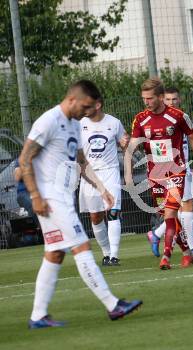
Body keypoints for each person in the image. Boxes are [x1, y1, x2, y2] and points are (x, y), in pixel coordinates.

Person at [20, 80, 142, 329]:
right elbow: (25, 159)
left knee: (54, 253)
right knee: (81, 246)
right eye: (84, 106)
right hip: (50, 198)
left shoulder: (76, 125)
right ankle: (112, 304)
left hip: (62, 196)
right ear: (72, 99)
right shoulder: (48, 121)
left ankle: (38, 315)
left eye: (90, 108)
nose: (87, 112)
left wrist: (102, 189)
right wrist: (35, 196)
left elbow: (82, 163)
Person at [126, 78, 193, 270]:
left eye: (150, 98)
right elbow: (133, 146)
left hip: (176, 173)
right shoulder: (140, 119)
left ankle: (166, 257)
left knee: (170, 214)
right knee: (170, 218)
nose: (146, 102)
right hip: (155, 176)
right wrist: (128, 164)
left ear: (160, 97)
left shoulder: (178, 116)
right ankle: (187, 253)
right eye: (144, 98)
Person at [146, 87, 193, 257]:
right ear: (162, 101)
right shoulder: (159, 121)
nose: (171, 103)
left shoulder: (181, 118)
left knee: (181, 208)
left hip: (183, 168)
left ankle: (157, 234)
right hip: (172, 170)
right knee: (185, 205)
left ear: (179, 100)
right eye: (168, 100)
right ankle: (192, 245)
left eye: (174, 99)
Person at [79, 95, 129, 266]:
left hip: (110, 171)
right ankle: (106, 253)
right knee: (95, 216)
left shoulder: (114, 123)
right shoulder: (80, 124)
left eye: (88, 105)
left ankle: (114, 255)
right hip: (90, 174)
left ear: (98, 105)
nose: (85, 109)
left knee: (113, 211)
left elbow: (125, 145)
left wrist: (125, 143)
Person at [14, 158, 38, 224]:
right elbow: (17, 176)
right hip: (24, 192)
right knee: (33, 204)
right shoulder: (22, 158)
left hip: (42, 191)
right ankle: (39, 228)